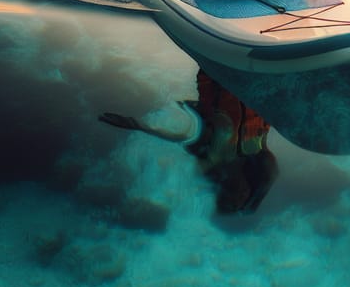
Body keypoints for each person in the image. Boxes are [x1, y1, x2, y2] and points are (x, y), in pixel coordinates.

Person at [100, 69, 278, 214]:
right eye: (243, 198)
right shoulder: (255, 157)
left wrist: (137, 125)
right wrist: (257, 198)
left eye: (234, 196)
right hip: (254, 79)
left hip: (222, 75)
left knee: (220, 128)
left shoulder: (210, 154)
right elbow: (270, 170)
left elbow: (178, 133)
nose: (242, 194)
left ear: (224, 188)